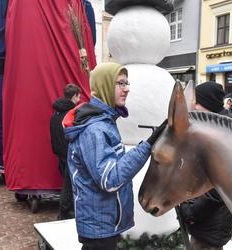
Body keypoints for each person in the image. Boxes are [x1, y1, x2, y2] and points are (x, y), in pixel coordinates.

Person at [63, 62, 166, 250]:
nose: (126, 89)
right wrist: (146, 146)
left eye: (127, 83)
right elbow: (109, 179)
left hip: (106, 224)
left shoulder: (105, 121)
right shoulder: (95, 129)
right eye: (120, 83)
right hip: (99, 229)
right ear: (105, 86)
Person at [179, 81, 232, 250]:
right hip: (207, 219)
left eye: (197, 102)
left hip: (212, 221)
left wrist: (192, 211)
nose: (193, 106)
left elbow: (219, 186)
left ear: (208, 104)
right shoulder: (212, 126)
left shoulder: (225, 134)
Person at [50, 83, 81, 220]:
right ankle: (63, 214)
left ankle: (69, 210)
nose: (79, 99)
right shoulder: (71, 114)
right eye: (78, 96)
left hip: (59, 153)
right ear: (74, 96)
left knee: (67, 182)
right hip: (69, 152)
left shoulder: (56, 113)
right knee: (68, 185)